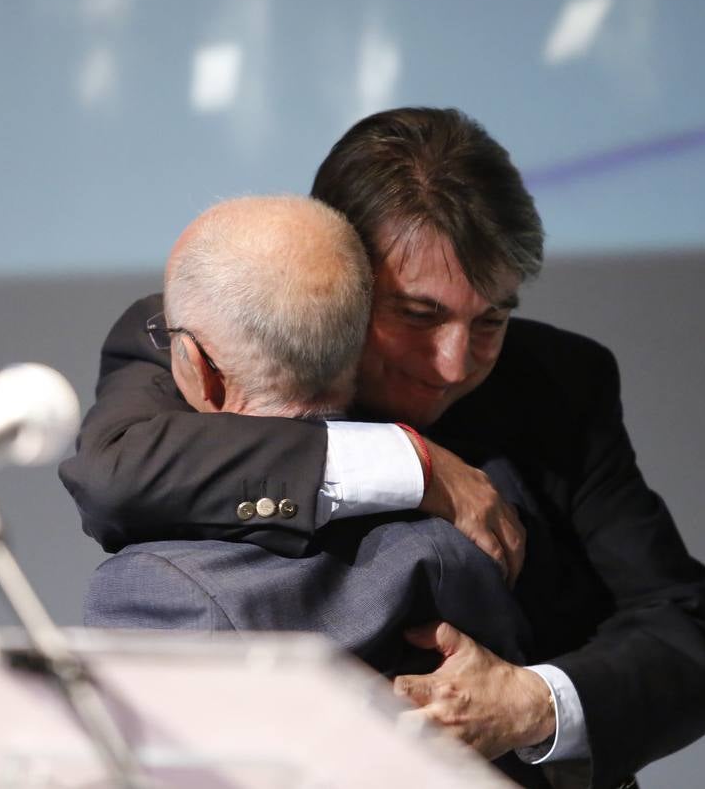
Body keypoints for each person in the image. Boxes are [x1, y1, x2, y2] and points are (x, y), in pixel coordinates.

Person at [62, 108, 705, 789]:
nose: (453, 363)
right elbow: (117, 473)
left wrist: (530, 704)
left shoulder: (560, 383)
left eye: (491, 319)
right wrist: (414, 465)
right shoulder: (225, 322)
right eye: (419, 315)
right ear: (339, 277)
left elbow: (692, 638)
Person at [83, 197, 535, 693]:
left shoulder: (158, 592)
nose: (451, 364)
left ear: (197, 367)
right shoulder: (459, 554)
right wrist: (414, 464)